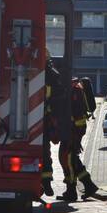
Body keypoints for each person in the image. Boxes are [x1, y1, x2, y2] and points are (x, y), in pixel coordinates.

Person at [56, 77, 99, 202]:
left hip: (73, 130)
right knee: (71, 158)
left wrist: (73, 131)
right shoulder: (72, 89)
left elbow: (75, 114)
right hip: (73, 129)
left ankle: (73, 190)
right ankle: (87, 185)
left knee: (67, 158)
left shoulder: (73, 90)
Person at [40, 53, 69, 197]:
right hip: (46, 120)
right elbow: (60, 99)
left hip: (37, 120)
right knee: (45, 152)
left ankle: (44, 182)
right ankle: (46, 182)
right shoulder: (53, 75)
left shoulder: (35, 72)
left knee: (41, 152)